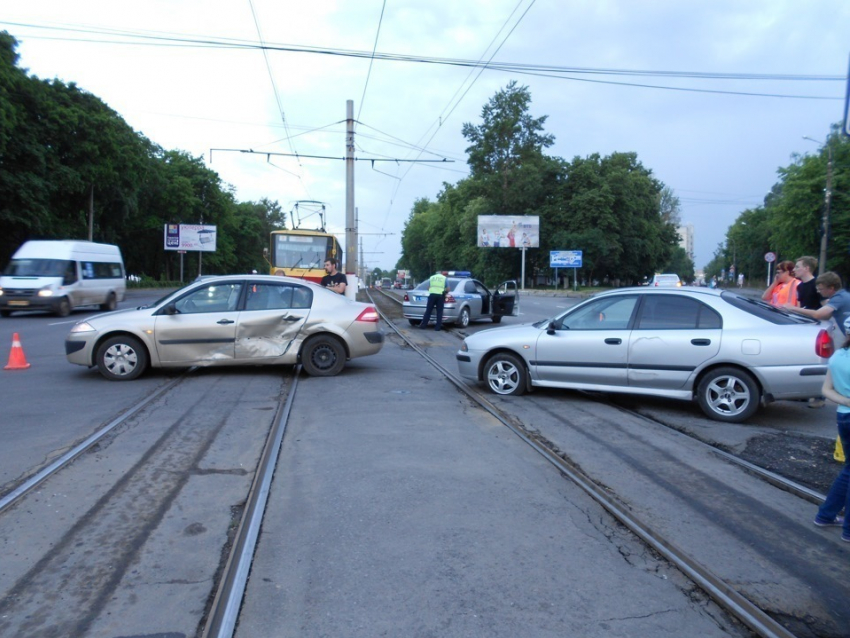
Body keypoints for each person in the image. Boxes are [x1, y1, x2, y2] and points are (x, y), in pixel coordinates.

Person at [813, 334, 850, 541]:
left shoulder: (838, 355)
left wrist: (846, 400)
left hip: (844, 417)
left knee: (849, 470)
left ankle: (826, 515)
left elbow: (826, 390)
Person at [785, 272, 850, 337]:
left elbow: (817, 314)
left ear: (831, 288)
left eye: (821, 289)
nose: (818, 291)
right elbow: (825, 317)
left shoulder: (839, 298)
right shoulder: (841, 296)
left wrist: (793, 308)